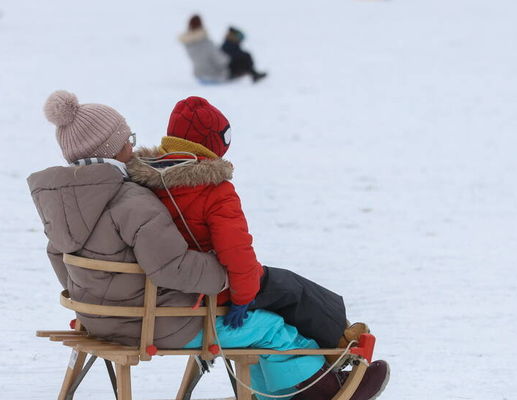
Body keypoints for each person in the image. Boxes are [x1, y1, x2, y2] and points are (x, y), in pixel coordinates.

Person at [29, 90, 389, 399]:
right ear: (113, 148)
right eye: (128, 140)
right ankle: (324, 391)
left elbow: (59, 260)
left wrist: (97, 303)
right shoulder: (131, 202)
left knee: (275, 304)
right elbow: (172, 266)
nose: (133, 146)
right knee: (271, 329)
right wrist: (226, 276)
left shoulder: (60, 204)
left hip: (98, 320)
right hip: (157, 324)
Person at [127, 96, 369, 358]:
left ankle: (335, 339)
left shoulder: (145, 181)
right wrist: (243, 297)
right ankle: (340, 345)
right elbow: (235, 250)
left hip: (172, 286)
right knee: (291, 290)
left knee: (282, 287)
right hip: (210, 289)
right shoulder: (214, 190)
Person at [178, 15, 267, 84]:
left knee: (232, 50)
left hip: (199, 76)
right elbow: (222, 61)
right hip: (214, 76)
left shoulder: (188, 43)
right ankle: (252, 73)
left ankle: (251, 73)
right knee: (244, 56)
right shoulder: (205, 42)